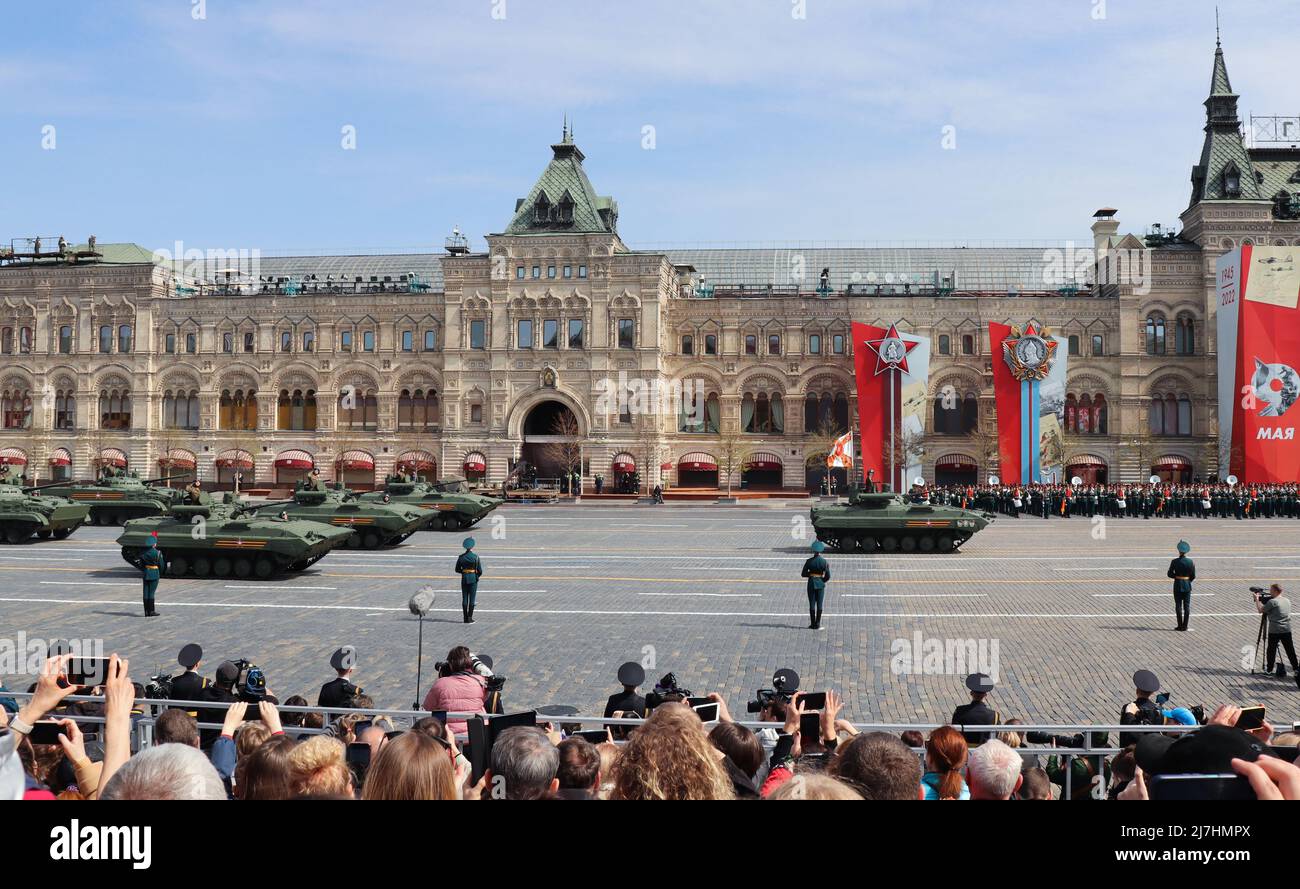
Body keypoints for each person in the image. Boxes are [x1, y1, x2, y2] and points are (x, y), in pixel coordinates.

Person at [422, 646, 488, 735]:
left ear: (451, 664)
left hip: (449, 737)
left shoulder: (441, 684)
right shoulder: (480, 681)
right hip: (476, 735)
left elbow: (428, 707)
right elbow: (484, 699)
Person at [1255, 584, 1299, 688]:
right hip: (1287, 629)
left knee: (1271, 650)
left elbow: (1261, 610)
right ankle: (1296, 669)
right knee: (1290, 649)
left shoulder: (1272, 602)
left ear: (1275, 591)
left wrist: (1257, 600)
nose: (1269, 592)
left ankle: (1269, 670)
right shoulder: (1287, 600)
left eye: (1271, 590)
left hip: (1275, 630)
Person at [1118, 668, 1164, 748]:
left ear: (1137, 690)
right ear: (1152, 693)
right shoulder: (1158, 710)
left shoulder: (1127, 707)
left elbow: (1124, 731)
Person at [951, 673, 999, 745]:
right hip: (984, 751)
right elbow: (996, 735)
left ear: (971, 693)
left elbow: (954, 731)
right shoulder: (993, 715)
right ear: (985, 695)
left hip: (964, 750)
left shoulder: (960, 711)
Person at [800, 539, 831, 630]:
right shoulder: (824, 562)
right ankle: (818, 623)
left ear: (813, 550)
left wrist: (811, 575)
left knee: (812, 603)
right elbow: (828, 576)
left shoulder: (809, 561)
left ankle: (812, 623)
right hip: (820, 584)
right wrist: (821, 581)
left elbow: (803, 574)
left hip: (811, 584)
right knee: (820, 604)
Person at [168, 643, 208, 712]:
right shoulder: (204, 682)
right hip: (197, 720)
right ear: (197, 664)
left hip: (179, 718)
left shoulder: (174, 681)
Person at [1167, 539, 1195, 631]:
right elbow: (1193, 576)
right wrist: (1187, 581)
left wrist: (1177, 577)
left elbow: (1169, 574)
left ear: (1179, 551)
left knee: (1178, 605)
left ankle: (1179, 625)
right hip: (1187, 585)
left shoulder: (1174, 561)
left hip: (1178, 585)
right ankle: (1185, 626)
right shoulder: (1191, 562)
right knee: (1187, 606)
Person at [455, 537, 483, 623]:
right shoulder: (475, 557)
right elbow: (480, 571)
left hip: (464, 578)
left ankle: (465, 618)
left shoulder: (461, 557)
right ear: (472, 547)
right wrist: (476, 576)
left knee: (464, 598)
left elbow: (457, 569)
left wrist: (464, 572)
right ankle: (470, 617)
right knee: (472, 598)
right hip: (473, 578)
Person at [138, 532, 163, 617]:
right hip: (154, 573)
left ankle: (146, 612)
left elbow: (141, 565)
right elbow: (161, 565)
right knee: (151, 592)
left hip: (146, 573)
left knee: (145, 592)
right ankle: (151, 611)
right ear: (154, 544)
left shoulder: (143, 553)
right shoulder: (157, 553)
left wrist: (145, 569)